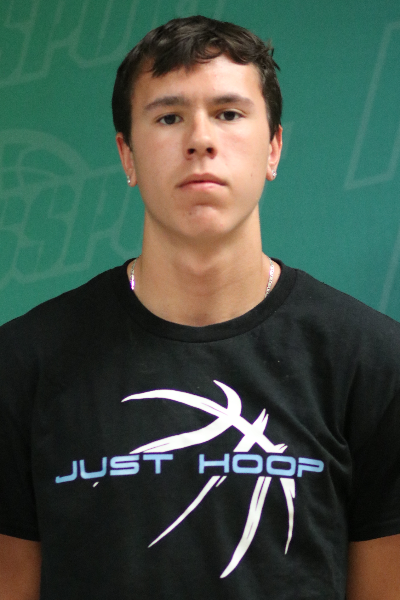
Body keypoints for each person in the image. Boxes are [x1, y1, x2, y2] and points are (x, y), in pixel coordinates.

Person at [0, 15, 400, 600]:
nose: (200, 140)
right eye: (168, 117)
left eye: (229, 113)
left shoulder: (374, 361)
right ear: (127, 156)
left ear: (274, 148)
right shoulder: (22, 364)